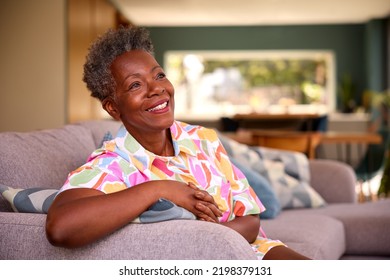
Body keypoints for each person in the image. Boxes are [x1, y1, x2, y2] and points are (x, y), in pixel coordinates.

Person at [45, 26, 310, 260]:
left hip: (255, 251)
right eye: (135, 85)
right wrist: (159, 189)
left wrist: (217, 240)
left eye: (158, 75)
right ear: (113, 108)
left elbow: (251, 220)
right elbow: (61, 228)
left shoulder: (202, 139)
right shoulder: (112, 165)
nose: (156, 89)